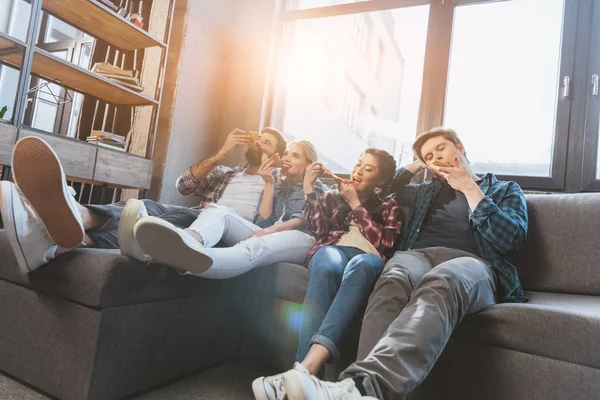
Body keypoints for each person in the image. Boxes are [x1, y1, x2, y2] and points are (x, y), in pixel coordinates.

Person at [257, 128, 529, 400]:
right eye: (429, 156)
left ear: (460, 146)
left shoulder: (504, 189)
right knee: (391, 280)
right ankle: (353, 392)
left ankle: (361, 388)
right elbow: (386, 186)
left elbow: (511, 239)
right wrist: (420, 164)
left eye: (441, 149)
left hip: (471, 263)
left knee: (442, 281)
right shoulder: (426, 191)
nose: (436, 158)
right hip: (417, 256)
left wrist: (469, 187)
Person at [0, 127, 286, 274]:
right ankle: (79, 218)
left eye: (267, 143)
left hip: (219, 231)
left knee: (150, 223)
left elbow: (265, 227)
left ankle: (53, 227)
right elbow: (184, 185)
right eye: (258, 138)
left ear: (275, 155)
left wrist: (270, 182)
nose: (258, 142)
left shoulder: (278, 184)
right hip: (197, 213)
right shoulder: (226, 172)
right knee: (142, 209)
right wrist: (222, 152)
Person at [253, 149, 401, 400]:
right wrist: (309, 187)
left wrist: (356, 203)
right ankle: (305, 377)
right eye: (358, 164)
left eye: (368, 169)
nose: (358, 171)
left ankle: (300, 375)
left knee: (362, 266)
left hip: (369, 257)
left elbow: (384, 243)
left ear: (382, 179)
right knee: (324, 259)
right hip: (334, 250)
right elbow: (319, 230)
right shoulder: (334, 195)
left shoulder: (390, 206)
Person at [132, 140, 326, 278]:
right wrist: (268, 184)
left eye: (296, 155)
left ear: (309, 164)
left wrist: (269, 231)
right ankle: (187, 240)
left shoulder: (314, 186)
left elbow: (302, 220)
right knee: (219, 210)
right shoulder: (276, 184)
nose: (288, 158)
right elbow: (262, 221)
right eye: (286, 153)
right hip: (267, 232)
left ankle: (196, 259)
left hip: (300, 238)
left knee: (254, 247)